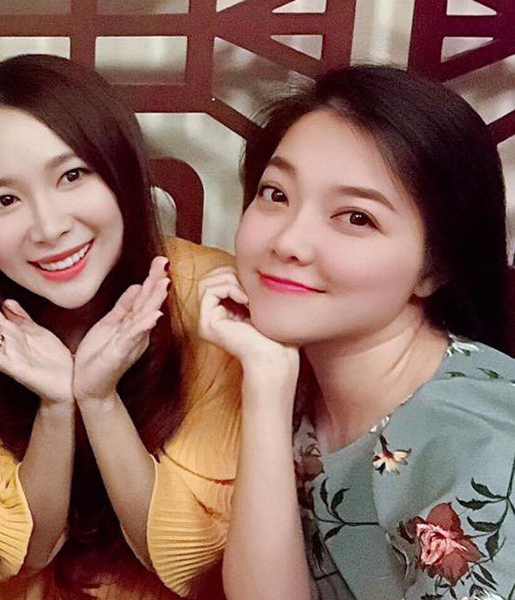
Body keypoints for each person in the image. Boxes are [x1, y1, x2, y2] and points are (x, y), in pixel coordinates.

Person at [0, 54, 242, 599]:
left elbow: (187, 559)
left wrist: (99, 401)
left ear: (120, 170)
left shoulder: (208, 298)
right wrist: (56, 406)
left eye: (72, 175)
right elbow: (24, 553)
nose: (49, 227)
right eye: (5, 199)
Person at [198, 65, 514, 600]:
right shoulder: (293, 382)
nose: (288, 242)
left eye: (356, 218)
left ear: (435, 266)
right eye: (275, 194)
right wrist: (267, 385)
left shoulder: (484, 453)